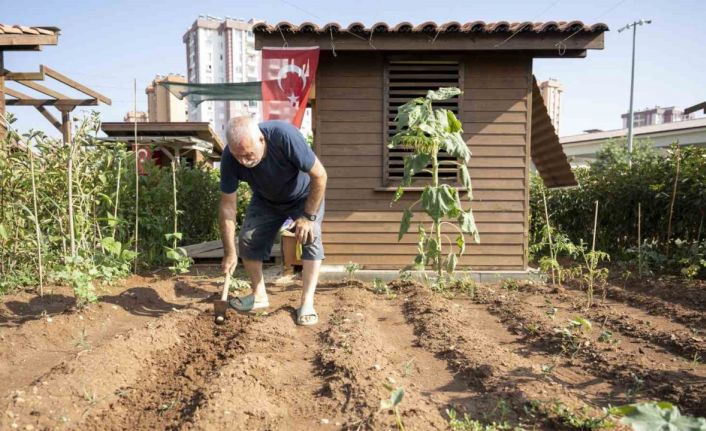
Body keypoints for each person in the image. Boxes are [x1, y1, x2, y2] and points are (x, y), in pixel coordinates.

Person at [218, 116, 327, 326]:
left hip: (303, 196)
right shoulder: (230, 158)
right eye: (238, 156)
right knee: (248, 239)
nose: (244, 161)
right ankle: (258, 295)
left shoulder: (284, 136)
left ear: (261, 139)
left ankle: (306, 303)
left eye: (249, 154)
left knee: (310, 237)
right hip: (266, 199)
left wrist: (308, 217)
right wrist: (230, 251)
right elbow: (227, 206)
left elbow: (320, 176)